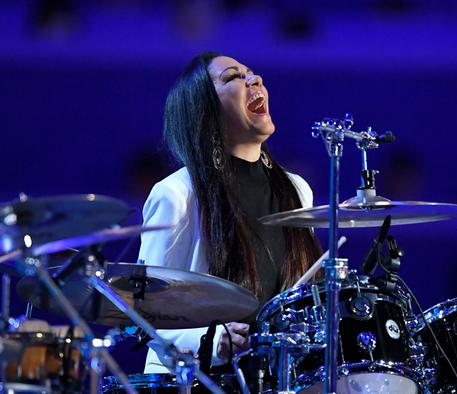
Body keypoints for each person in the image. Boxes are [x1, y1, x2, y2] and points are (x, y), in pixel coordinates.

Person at [138, 52, 322, 374]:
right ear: (204, 108)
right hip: (196, 379)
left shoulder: (296, 189)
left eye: (253, 73)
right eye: (233, 77)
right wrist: (207, 340)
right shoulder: (177, 193)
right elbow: (145, 312)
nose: (255, 80)